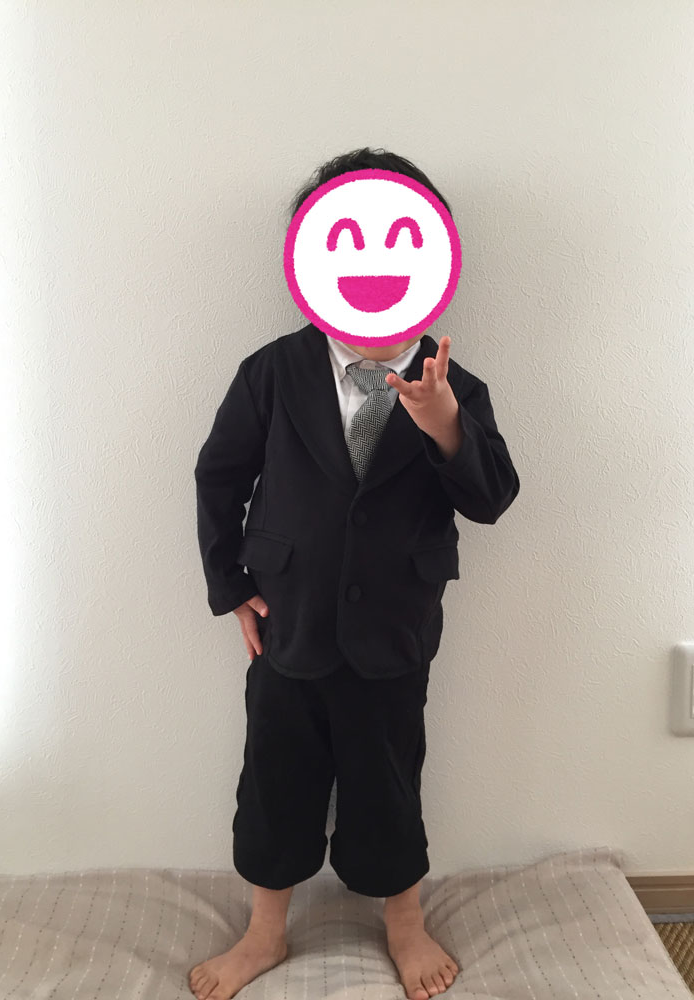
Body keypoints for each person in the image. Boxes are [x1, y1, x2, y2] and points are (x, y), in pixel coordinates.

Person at [190, 147, 521, 1000]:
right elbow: (219, 477)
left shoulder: (454, 384)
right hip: (287, 624)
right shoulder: (272, 372)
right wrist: (231, 586)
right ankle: (265, 930)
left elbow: (492, 497)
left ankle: (404, 921)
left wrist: (445, 423)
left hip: (394, 631)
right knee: (274, 779)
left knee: (388, 781)